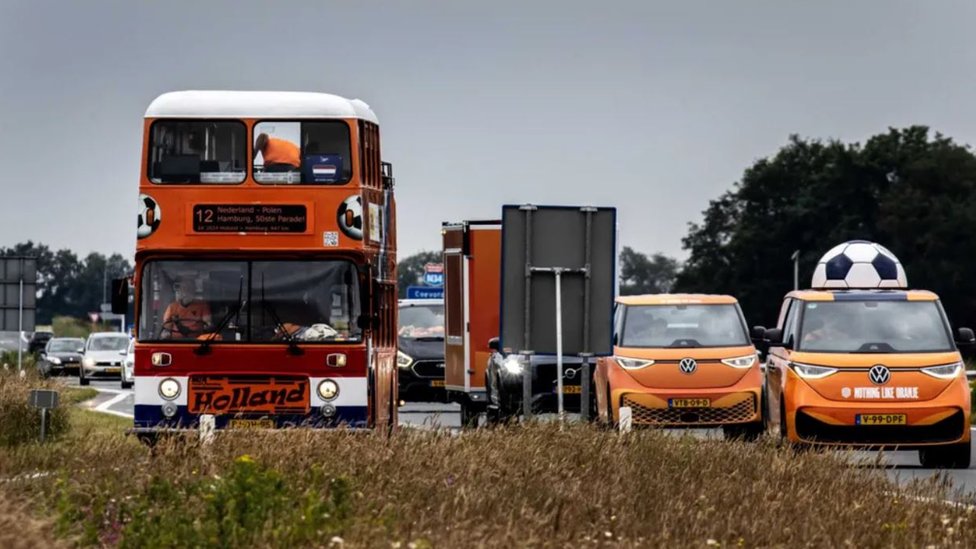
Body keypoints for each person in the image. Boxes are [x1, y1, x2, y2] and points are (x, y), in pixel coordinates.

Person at [160, 275, 213, 339]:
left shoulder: (202, 305)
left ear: (194, 290)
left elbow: (208, 323)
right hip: (176, 341)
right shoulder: (172, 307)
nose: (187, 291)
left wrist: (208, 326)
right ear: (180, 290)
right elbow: (167, 326)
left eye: (190, 288)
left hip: (197, 341)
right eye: (184, 288)